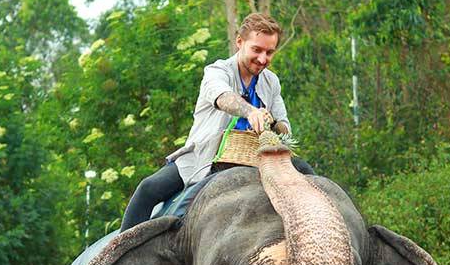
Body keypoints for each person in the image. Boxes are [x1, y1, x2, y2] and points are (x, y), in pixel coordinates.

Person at [120, 12, 313, 232]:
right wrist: (250, 111)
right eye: (257, 50)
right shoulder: (216, 71)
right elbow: (223, 98)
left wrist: (273, 121)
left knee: (311, 177)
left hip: (258, 160)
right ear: (239, 42)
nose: (263, 59)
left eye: (269, 52)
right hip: (205, 157)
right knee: (148, 189)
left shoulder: (272, 81)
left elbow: (285, 130)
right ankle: (116, 257)